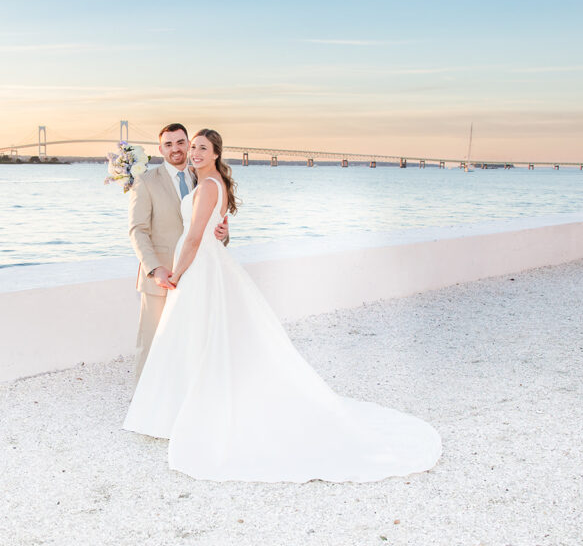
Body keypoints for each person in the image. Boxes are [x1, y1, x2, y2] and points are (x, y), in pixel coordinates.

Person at [124, 129, 441, 482]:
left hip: (194, 268)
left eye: (197, 146)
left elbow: (198, 235)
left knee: (199, 334)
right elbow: (143, 229)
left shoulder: (208, 184)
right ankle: (181, 406)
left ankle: (193, 410)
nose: (189, 151)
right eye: (183, 145)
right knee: (190, 336)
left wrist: (181, 273)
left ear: (214, 153)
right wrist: (168, 265)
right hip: (190, 268)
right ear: (161, 149)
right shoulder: (164, 182)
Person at [128, 123, 227, 381]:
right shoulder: (146, 181)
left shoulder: (202, 177)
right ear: (160, 149)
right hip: (161, 276)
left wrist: (224, 234)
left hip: (194, 275)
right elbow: (137, 230)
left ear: (188, 144)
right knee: (152, 341)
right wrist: (154, 268)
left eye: (181, 142)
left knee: (189, 341)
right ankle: (142, 404)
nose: (176, 149)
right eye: (168, 144)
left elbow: (208, 228)